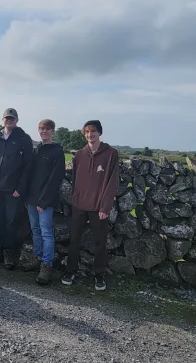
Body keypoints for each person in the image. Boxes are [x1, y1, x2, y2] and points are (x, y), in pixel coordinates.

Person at [61, 120, 119, 291]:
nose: (89, 135)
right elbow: (75, 180)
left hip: (98, 207)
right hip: (79, 204)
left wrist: (105, 207)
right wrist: (74, 200)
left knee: (100, 242)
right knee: (74, 240)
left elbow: (112, 181)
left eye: (93, 131)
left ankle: (99, 274)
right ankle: (70, 270)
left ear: (100, 133)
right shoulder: (79, 154)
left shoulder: (110, 154)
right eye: (86, 132)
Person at [0, 108, 34, 270]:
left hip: (13, 190)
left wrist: (20, 188)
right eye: (7, 118)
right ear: (2, 119)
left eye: (12, 118)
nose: (9, 120)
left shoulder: (24, 139)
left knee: (11, 221)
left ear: (17, 121)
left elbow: (28, 166)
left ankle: (8, 254)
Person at [23, 119, 65, 285]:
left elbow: (55, 179)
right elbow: (31, 175)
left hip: (45, 200)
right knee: (35, 229)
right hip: (32, 199)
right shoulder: (37, 149)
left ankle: (47, 265)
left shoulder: (57, 152)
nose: (44, 132)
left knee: (46, 232)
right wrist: (28, 198)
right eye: (41, 129)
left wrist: (44, 200)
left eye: (47, 129)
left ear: (53, 131)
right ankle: (38, 258)